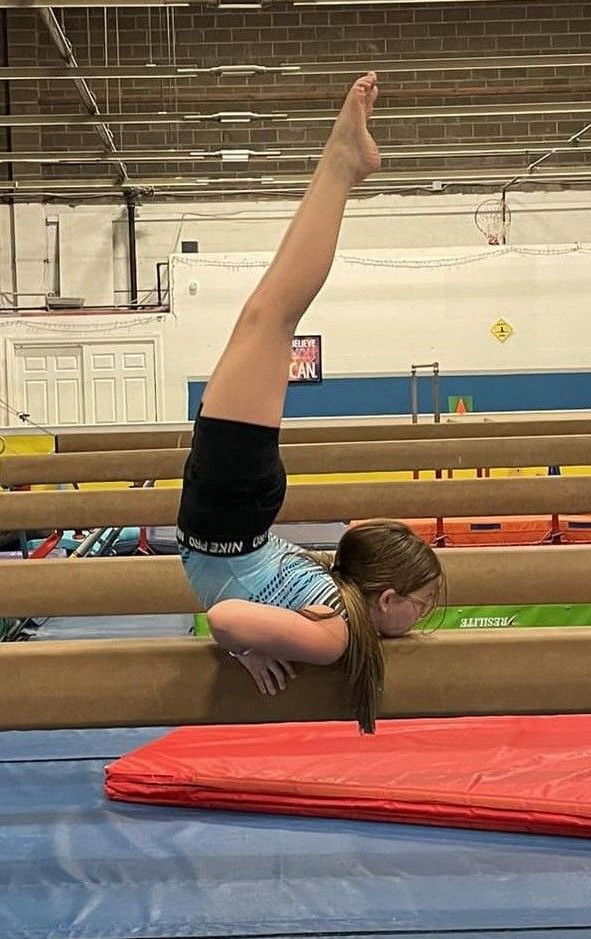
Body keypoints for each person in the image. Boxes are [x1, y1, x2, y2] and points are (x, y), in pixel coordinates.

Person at [176, 72, 443, 734]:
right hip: (228, 517)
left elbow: (226, 616)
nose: (425, 618)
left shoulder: (332, 622)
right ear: (387, 598)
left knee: (267, 315)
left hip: (236, 515)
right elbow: (225, 615)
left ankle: (342, 163)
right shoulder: (333, 633)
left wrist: (248, 642)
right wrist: (248, 643)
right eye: (425, 604)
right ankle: (342, 164)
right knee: (271, 315)